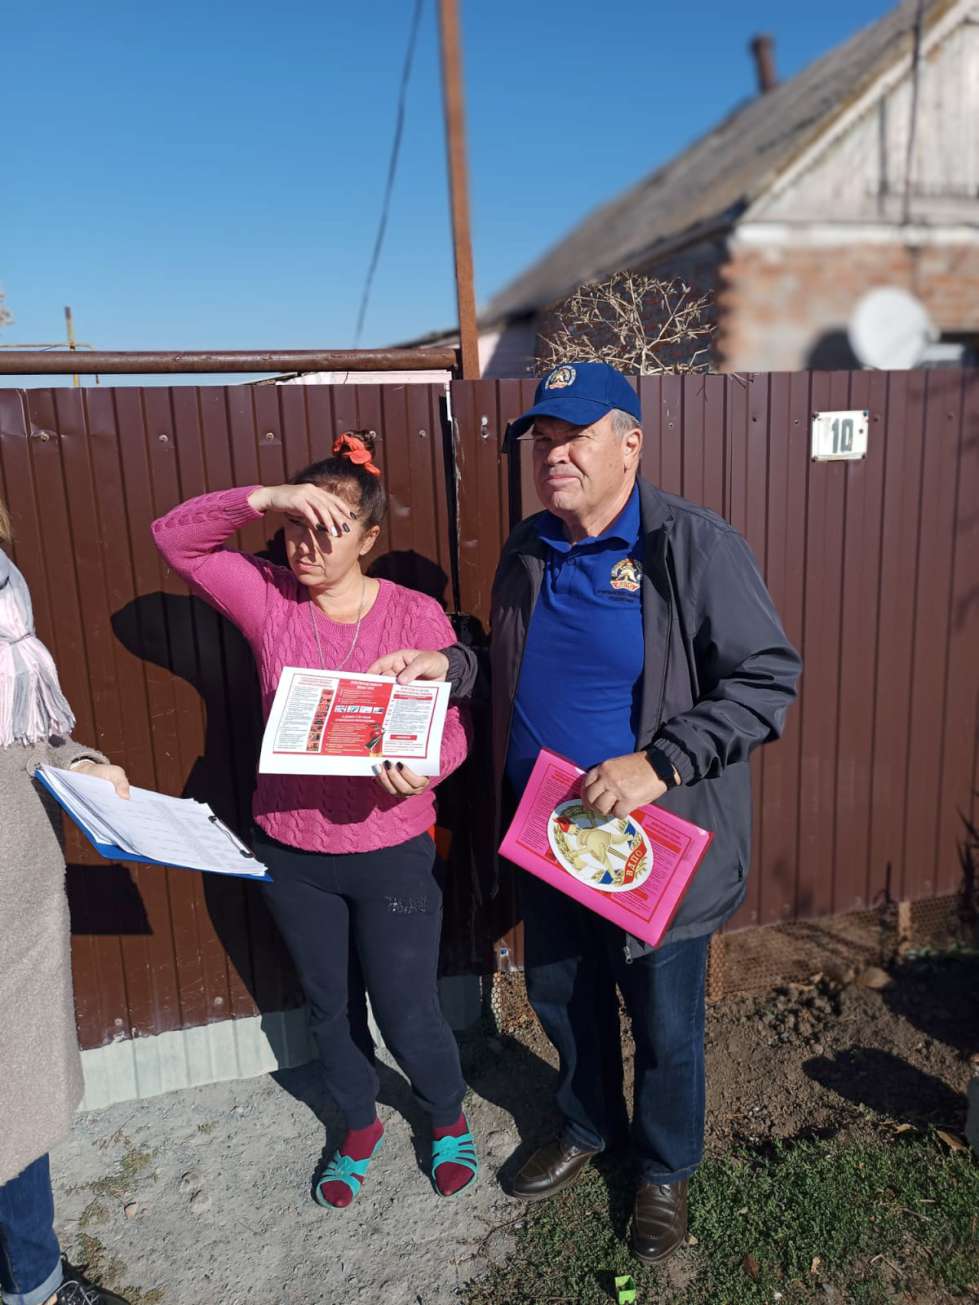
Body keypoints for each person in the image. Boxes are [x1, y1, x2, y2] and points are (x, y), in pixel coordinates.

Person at [370, 363, 802, 1262]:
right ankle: (586, 1123)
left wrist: (661, 761)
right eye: (541, 440)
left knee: (665, 1026)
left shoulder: (688, 544)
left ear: (629, 444)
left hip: (652, 845)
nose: (552, 455)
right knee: (563, 996)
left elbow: (766, 680)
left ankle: (664, 1168)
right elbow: (509, 661)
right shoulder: (530, 545)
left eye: (573, 436)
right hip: (548, 832)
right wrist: (453, 665)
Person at [152, 431, 477, 1208]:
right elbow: (174, 539)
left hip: (392, 849)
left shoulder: (413, 612)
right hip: (292, 850)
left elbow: (453, 723)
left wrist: (427, 768)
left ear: (368, 538)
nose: (306, 544)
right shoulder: (270, 599)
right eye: (297, 525)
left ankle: (445, 1115)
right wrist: (266, 496)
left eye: (328, 529)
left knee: (407, 1007)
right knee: (329, 1007)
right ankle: (358, 1122)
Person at [0, 498, 135, 1305]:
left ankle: (35, 1277)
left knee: (14, 1099)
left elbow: (22, 730)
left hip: (17, 890)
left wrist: (75, 758)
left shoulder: (3, 574)